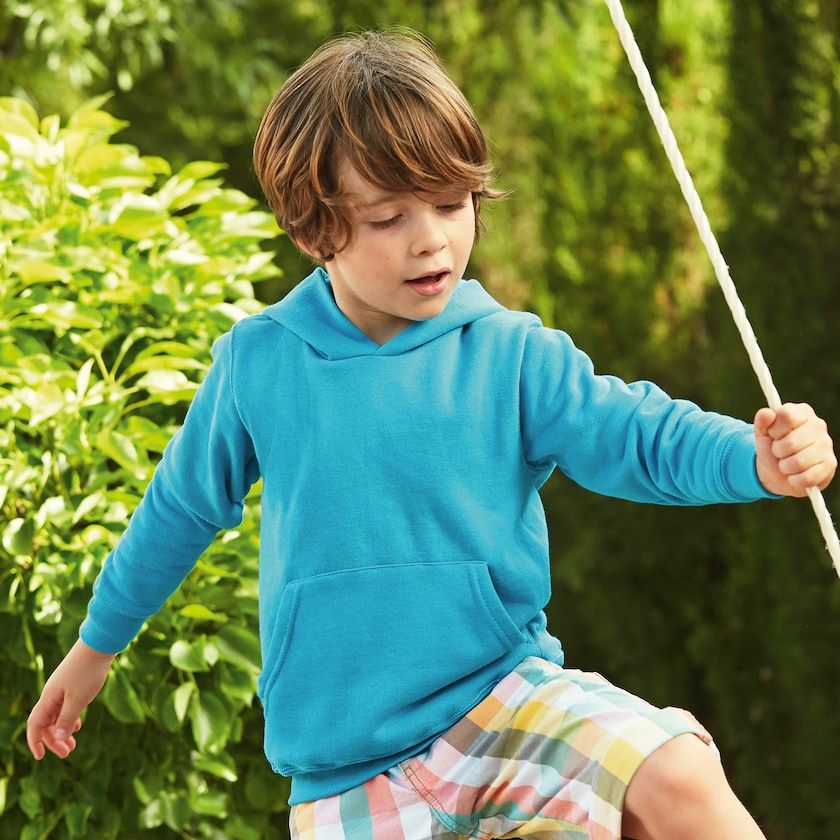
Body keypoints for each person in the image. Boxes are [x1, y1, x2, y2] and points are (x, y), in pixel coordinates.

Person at [27, 29, 836, 840]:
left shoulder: (511, 354)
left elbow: (635, 433)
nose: (432, 239)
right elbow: (177, 510)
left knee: (677, 771)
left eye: (452, 204)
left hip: (503, 701)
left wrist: (752, 457)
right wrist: (95, 649)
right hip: (345, 771)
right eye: (388, 217)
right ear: (313, 232)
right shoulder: (258, 365)